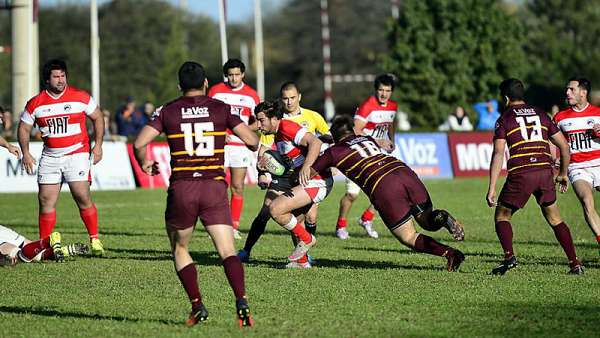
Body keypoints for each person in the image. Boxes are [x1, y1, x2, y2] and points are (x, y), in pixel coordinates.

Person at [133, 61, 258, 327]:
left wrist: (144, 162)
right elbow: (252, 141)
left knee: (180, 247)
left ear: (179, 86)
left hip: (183, 187)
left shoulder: (168, 110)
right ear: (205, 84)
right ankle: (241, 300)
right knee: (227, 250)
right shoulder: (221, 108)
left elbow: (139, 142)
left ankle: (197, 305)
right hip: (214, 186)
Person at [311, 115, 466, 271]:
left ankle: (452, 254)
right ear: (352, 130)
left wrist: (318, 143)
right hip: (404, 172)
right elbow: (353, 142)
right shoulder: (367, 140)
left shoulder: (333, 152)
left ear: (334, 136)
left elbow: (309, 171)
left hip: (384, 184)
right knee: (428, 222)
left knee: (409, 236)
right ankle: (442, 217)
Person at [486, 78, 583, 275]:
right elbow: (564, 146)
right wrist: (562, 174)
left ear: (505, 98)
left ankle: (509, 257)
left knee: (502, 215)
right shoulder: (541, 114)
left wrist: (492, 187)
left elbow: (498, 153)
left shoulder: (504, 119)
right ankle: (575, 264)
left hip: (521, 173)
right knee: (555, 218)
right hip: (545, 172)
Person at [17, 59, 105, 256]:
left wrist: (98, 146)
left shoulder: (80, 97)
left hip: (77, 154)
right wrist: (26, 152)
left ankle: (95, 239)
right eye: (56, 76)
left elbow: (98, 116)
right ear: (46, 80)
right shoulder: (35, 103)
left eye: (63, 76)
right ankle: (44, 246)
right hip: (50, 157)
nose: (61, 80)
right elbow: (23, 128)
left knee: (82, 195)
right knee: (45, 200)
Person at [237, 82, 331, 266]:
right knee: (293, 217)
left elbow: (316, 143)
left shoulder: (288, 127)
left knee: (275, 209)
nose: (259, 125)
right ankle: (302, 262)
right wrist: (266, 167)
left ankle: (308, 240)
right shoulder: (278, 134)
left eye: (261, 120)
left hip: (316, 180)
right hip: (300, 179)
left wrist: (306, 167)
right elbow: (281, 157)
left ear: (273, 118)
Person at [336, 74, 398, 240]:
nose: (384, 94)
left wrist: (392, 140)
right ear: (375, 90)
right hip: (359, 153)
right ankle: (341, 226)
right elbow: (355, 130)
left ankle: (366, 218)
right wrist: (378, 140)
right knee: (352, 194)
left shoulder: (393, 106)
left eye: (388, 90)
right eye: (381, 90)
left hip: (377, 154)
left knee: (386, 190)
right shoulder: (367, 106)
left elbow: (391, 123)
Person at [208, 59, 260, 239]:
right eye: (230, 75)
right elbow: (208, 116)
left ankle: (233, 226)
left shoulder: (252, 95)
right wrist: (219, 132)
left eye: (237, 74)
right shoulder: (215, 91)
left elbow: (258, 121)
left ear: (243, 75)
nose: (234, 78)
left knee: (237, 186)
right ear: (226, 75)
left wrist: (243, 131)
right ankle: (217, 225)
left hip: (240, 147)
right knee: (217, 186)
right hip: (220, 145)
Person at [554, 77, 600, 254]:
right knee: (587, 202)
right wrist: (555, 159)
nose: (567, 93)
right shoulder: (560, 117)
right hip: (578, 168)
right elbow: (552, 141)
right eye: (567, 89)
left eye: (571, 90)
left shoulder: (598, 113)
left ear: (583, 92)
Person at [0, 224, 88, 266]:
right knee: (37, 255)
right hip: (4, 231)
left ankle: (48, 241)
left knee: (14, 256)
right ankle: (60, 251)